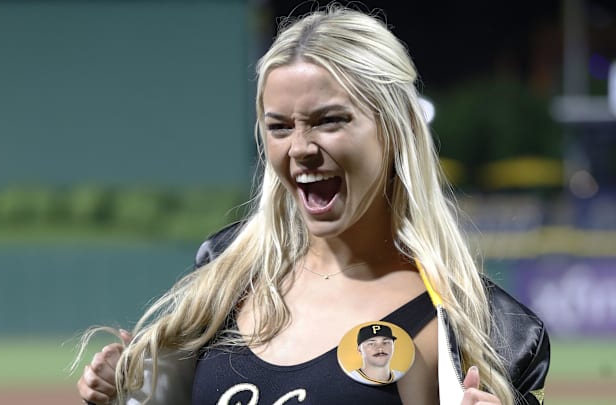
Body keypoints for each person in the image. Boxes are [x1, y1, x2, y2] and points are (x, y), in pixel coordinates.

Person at [75, 5, 550, 405]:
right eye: (279, 127)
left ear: (396, 127)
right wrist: (136, 394)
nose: (300, 147)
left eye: (329, 120)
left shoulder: (466, 325)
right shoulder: (225, 278)